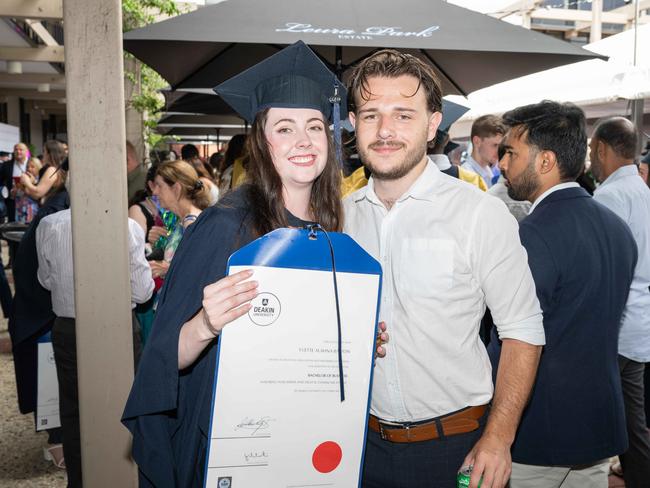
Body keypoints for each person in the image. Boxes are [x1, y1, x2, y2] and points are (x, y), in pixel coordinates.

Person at [122, 41, 383, 488]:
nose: (303, 141)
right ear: (262, 141)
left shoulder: (330, 230)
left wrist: (352, 340)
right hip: (232, 447)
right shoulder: (226, 225)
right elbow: (164, 354)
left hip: (303, 441)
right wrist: (205, 323)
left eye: (315, 126)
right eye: (285, 128)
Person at [343, 49, 545, 488]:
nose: (385, 131)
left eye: (403, 115)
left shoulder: (480, 215)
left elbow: (523, 330)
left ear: (433, 124)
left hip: (456, 448)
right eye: (371, 114)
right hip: (356, 445)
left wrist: (499, 437)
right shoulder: (338, 220)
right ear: (354, 123)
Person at [490, 101, 637, 488]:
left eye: (511, 152)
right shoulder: (616, 228)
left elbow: (512, 338)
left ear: (545, 161)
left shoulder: (531, 235)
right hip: (597, 426)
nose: (502, 163)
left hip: (539, 434)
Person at [36, 174, 154, 487]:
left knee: (74, 410)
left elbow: (45, 279)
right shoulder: (127, 227)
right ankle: (127, 477)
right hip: (119, 327)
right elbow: (143, 293)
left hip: (68, 328)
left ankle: (80, 480)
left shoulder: (49, 225)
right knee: (127, 405)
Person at [589, 116, 650, 488]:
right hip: (639, 323)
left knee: (610, 417)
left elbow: (602, 268)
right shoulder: (643, 191)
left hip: (616, 325)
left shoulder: (609, 196)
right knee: (632, 418)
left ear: (602, 149)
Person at [8, 159, 69, 470]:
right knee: (52, 382)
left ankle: (57, 438)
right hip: (44, 313)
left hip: (41, 309)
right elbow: (44, 276)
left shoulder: (58, 209)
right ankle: (56, 441)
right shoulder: (57, 214)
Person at [148, 160, 211, 284]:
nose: (155, 192)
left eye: (159, 186)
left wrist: (167, 269)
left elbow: (200, 270)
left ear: (176, 189)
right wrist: (160, 242)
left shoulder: (191, 223)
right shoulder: (183, 220)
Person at [461, 115, 505, 189]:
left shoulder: (488, 171)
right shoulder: (465, 175)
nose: (499, 150)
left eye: (501, 146)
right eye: (495, 145)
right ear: (477, 141)